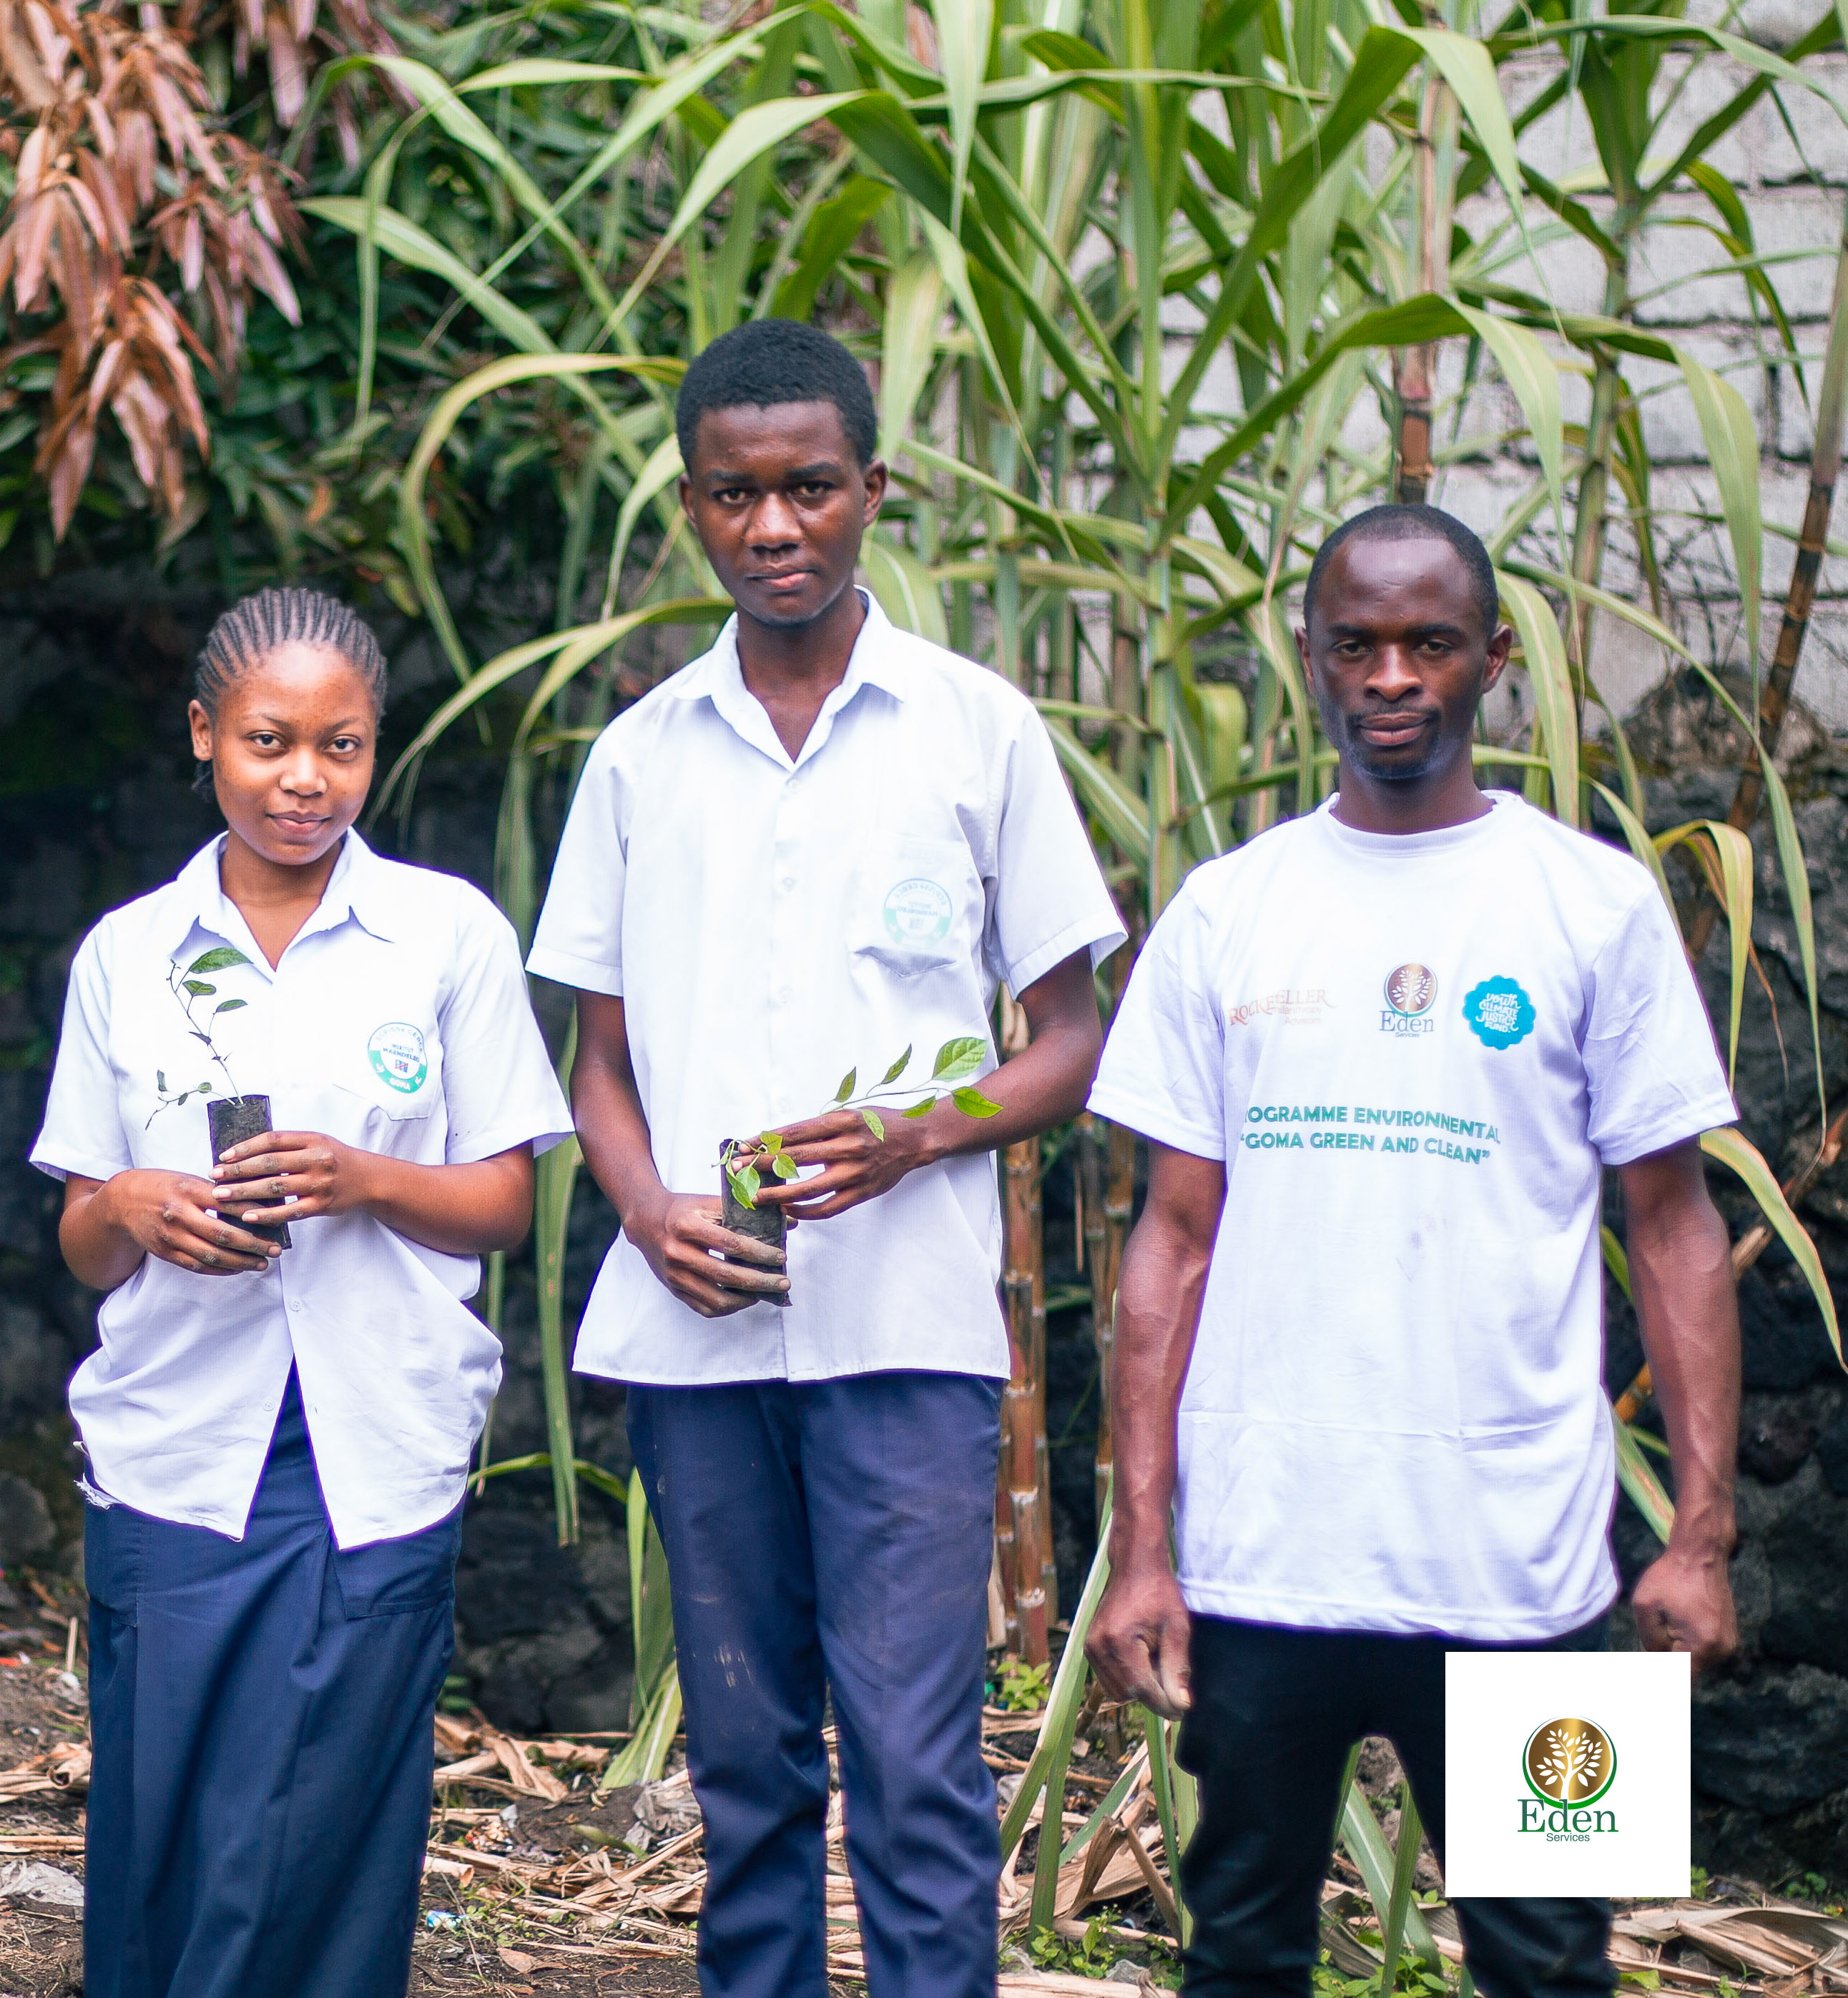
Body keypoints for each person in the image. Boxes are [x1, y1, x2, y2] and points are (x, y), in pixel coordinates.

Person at [526, 318, 1126, 1998]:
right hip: (697, 1336)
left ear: (874, 489)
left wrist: (914, 1138)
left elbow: (1071, 1039)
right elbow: (597, 1062)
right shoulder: (640, 757)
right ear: (692, 507)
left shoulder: (973, 731)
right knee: (746, 1770)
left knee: (918, 1765)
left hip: (908, 1335)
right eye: (734, 495)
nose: (772, 526)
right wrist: (645, 1211)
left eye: (807, 488)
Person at [1084, 502, 1740, 1998]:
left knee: (1549, 1963)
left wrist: (1696, 1540)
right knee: (1240, 1955)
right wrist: (1144, 1553)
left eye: (1427, 642)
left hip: (1534, 1579)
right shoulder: (1225, 910)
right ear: (1306, 660)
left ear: (1492, 661)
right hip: (1261, 1573)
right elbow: (1165, 1242)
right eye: (1355, 643)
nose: (1390, 674)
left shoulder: (1593, 904)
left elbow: (1673, 1227)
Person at [29, 586, 572, 1998]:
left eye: (339, 746)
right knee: (169, 1809)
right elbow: (80, 1234)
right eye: (269, 741)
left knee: (338, 1821)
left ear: (372, 747)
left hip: (375, 1437)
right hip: (178, 1443)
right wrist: (136, 1207)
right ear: (205, 734)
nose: (303, 779)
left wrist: (360, 1177)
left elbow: (505, 1201)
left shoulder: (445, 936)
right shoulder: (126, 954)